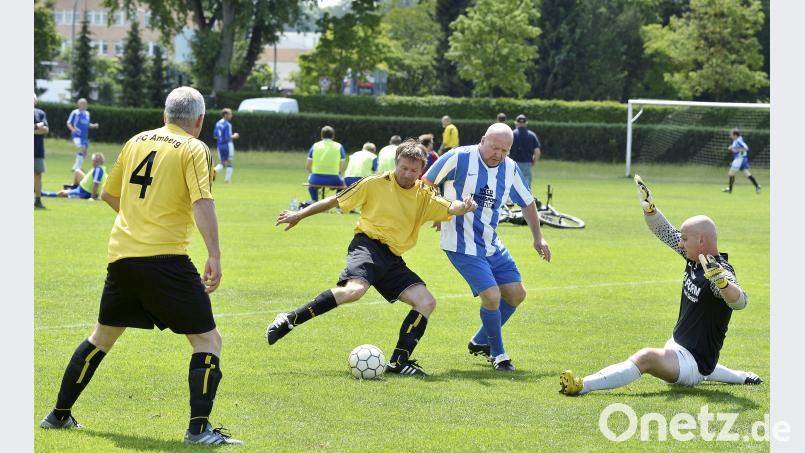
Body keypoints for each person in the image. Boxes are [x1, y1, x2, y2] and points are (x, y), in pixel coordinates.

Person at [39, 87, 243, 445]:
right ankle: (198, 430)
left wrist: (139, 220)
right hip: (166, 259)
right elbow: (202, 202)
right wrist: (214, 255)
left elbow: (108, 193)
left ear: (165, 115)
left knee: (101, 338)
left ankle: (58, 415)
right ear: (199, 120)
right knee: (208, 340)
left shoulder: (136, 141)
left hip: (122, 257)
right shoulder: (196, 149)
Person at [270, 140, 478, 376]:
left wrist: (465, 206)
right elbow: (334, 200)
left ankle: (399, 362)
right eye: (404, 168)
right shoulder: (374, 183)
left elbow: (451, 207)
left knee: (426, 302)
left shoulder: (424, 194)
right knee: (354, 291)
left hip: (392, 258)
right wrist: (299, 214)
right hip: (367, 246)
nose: (408, 174)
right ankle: (288, 319)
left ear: (421, 170)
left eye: (414, 170)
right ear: (396, 163)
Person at [559, 175, 762, 396]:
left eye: (685, 239)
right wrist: (650, 209)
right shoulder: (693, 257)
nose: (680, 243)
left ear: (702, 241)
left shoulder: (718, 271)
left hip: (691, 363)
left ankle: (582, 385)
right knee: (705, 368)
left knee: (646, 358)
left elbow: (740, 301)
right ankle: (742, 377)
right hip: (679, 346)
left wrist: (721, 282)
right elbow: (665, 232)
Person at [423, 123, 552, 372]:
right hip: (460, 245)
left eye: (504, 150)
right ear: (483, 140)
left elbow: (527, 203)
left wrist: (538, 238)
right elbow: (427, 182)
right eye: (495, 148)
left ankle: (480, 340)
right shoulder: (458, 157)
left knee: (516, 294)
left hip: (492, 244)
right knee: (492, 296)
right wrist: (441, 210)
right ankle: (499, 354)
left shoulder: (510, 168)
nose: (499, 155)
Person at [306, 125, 346, 202]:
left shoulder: (315, 146)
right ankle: (337, 204)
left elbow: (308, 166)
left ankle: (314, 201)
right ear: (333, 136)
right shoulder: (339, 146)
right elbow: (343, 165)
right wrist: (338, 172)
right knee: (343, 186)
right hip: (334, 179)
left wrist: (313, 172)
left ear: (321, 136)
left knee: (310, 183)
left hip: (316, 179)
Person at [42, 153, 107, 200]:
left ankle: (42, 193)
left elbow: (96, 183)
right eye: (93, 160)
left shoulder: (98, 169)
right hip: (82, 189)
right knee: (77, 171)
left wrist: (92, 198)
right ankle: (73, 187)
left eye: (96, 160)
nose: (94, 162)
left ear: (101, 161)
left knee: (61, 193)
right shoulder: (100, 168)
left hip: (84, 193)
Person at [66, 98, 99, 174]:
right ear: (79, 104)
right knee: (83, 149)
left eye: (86, 103)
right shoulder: (75, 112)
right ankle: (77, 168)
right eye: (83, 103)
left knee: (85, 152)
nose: (85, 105)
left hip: (84, 136)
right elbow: (68, 123)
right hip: (77, 135)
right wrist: (73, 130)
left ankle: (76, 167)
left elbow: (87, 124)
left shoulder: (87, 113)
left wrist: (93, 125)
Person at [723, 128, 761, 194]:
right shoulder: (737, 140)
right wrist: (731, 147)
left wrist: (737, 150)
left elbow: (746, 148)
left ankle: (730, 189)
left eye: (731, 135)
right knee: (747, 174)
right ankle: (757, 186)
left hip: (739, 159)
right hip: (742, 159)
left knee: (731, 174)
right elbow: (736, 146)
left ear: (735, 135)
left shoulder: (738, 141)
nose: (730, 136)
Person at [509, 114, 541, 190]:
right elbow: (537, 152)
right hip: (527, 164)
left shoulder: (512, 134)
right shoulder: (532, 135)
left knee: (512, 188)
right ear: (526, 123)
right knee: (526, 190)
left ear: (516, 123)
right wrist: (533, 162)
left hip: (513, 164)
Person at [213, 108, 240, 184]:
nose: (231, 115)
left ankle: (214, 171)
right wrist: (235, 135)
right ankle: (227, 180)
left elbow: (215, 135)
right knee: (229, 162)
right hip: (227, 145)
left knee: (224, 162)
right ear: (225, 115)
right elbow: (228, 136)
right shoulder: (228, 124)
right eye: (230, 114)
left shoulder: (218, 123)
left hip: (220, 145)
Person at [34, 94, 49, 209]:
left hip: (38, 149)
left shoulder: (40, 113)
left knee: (38, 174)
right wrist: (36, 127)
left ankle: (38, 200)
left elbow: (46, 130)